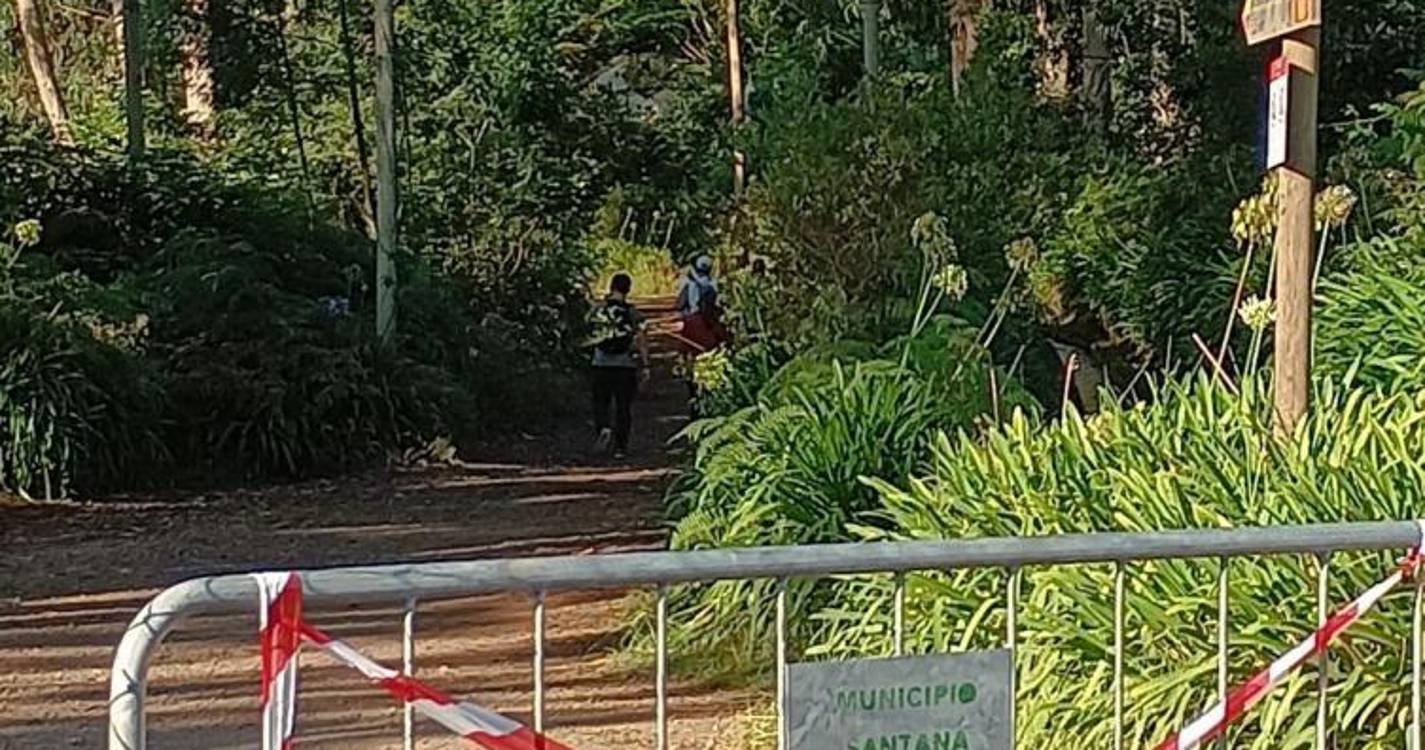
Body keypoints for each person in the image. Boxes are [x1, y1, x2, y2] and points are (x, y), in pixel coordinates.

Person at [589, 273, 649, 458]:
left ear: (611, 287)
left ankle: (603, 427)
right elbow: (640, 339)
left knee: (601, 402)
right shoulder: (632, 312)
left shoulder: (599, 309)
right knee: (623, 406)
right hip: (625, 365)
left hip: (600, 363)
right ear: (628, 289)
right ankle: (620, 448)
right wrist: (645, 364)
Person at [674, 255, 725, 412]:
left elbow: (679, 304)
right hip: (712, 353)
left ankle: (696, 408)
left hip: (693, 328)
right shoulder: (715, 286)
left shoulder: (689, 283)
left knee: (694, 385)